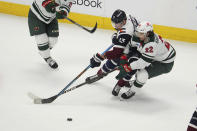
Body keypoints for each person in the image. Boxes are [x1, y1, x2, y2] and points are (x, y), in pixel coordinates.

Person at [114, 21, 176, 99]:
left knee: (142, 75)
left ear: (147, 33)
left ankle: (133, 90)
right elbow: (129, 44)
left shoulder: (152, 44)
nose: (137, 35)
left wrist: (128, 67)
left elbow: (143, 62)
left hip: (165, 63)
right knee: (136, 66)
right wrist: (124, 56)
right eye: (137, 32)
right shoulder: (140, 36)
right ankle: (136, 81)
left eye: (140, 33)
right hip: (155, 56)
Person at [87, 9, 140, 87]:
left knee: (117, 59)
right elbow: (122, 34)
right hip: (134, 42)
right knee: (117, 58)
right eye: (114, 23)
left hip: (136, 49)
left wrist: (100, 57)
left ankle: (127, 80)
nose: (115, 26)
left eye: (117, 24)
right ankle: (101, 73)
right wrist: (117, 37)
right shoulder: (127, 16)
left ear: (124, 21)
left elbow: (116, 52)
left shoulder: (127, 32)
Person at [28, 0, 73, 69]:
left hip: (51, 18)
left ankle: (43, 51)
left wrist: (63, 11)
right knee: (42, 39)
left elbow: (67, 3)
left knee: (53, 40)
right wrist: (47, 3)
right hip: (36, 15)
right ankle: (47, 58)